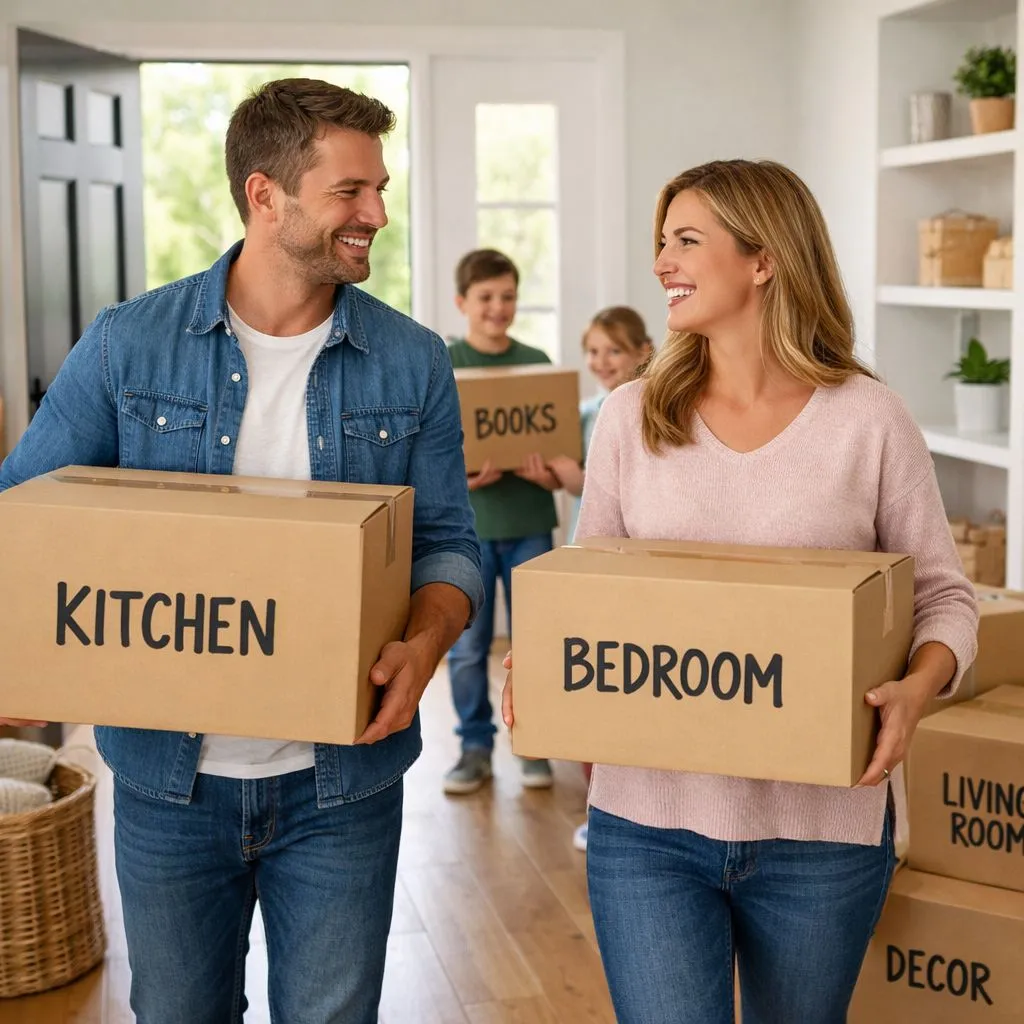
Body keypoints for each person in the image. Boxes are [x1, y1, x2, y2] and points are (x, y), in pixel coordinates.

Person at [0, 78, 483, 1024]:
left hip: (343, 784)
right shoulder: (129, 347)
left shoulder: (413, 360)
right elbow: (23, 518)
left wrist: (426, 644)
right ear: (266, 195)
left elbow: (447, 545)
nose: (378, 215)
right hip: (167, 784)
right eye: (351, 191)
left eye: (380, 189)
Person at [502, 159, 978, 1024]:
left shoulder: (869, 420)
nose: (662, 263)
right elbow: (588, 588)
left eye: (687, 241)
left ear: (764, 259)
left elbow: (944, 597)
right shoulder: (631, 417)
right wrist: (535, 663)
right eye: (662, 242)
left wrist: (918, 687)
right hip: (646, 824)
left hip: (822, 834)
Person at [442, 248, 570, 795]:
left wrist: (550, 472)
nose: (498, 307)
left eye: (508, 296)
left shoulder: (537, 361)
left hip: (530, 523)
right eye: (486, 297)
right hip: (468, 533)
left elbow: (561, 450)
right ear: (462, 302)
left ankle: (535, 744)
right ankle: (474, 747)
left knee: (535, 642)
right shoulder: (446, 363)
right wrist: (461, 478)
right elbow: (434, 451)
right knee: (467, 648)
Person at [548, 306, 653, 851]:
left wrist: (578, 478)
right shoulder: (586, 413)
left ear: (643, 352)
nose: (602, 361)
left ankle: (624, 806)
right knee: (591, 690)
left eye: (614, 350)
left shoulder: (650, 410)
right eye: (593, 351)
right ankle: (602, 806)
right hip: (584, 560)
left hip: (628, 571)